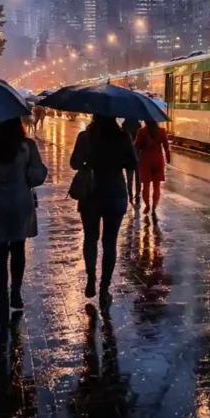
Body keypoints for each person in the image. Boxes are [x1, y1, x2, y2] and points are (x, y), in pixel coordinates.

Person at [0, 118, 48, 320]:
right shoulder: (27, 146)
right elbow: (38, 175)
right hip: (19, 202)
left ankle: (2, 298)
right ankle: (16, 291)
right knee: (18, 248)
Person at [70, 115, 138, 307]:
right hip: (115, 194)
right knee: (110, 243)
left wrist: (89, 163)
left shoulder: (85, 137)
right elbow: (133, 164)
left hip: (90, 194)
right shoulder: (123, 137)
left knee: (90, 238)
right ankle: (105, 289)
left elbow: (74, 163)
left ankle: (91, 277)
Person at [134, 120, 171, 214]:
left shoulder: (141, 131)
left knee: (146, 185)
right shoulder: (162, 131)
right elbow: (166, 146)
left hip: (145, 160)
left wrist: (135, 156)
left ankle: (147, 205)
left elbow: (136, 146)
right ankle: (154, 205)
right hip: (158, 160)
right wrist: (168, 157)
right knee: (157, 185)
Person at [121, 117, 143, 203]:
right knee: (138, 177)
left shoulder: (124, 126)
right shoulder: (139, 126)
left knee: (129, 178)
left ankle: (130, 195)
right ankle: (137, 195)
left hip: (128, 156)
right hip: (138, 155)